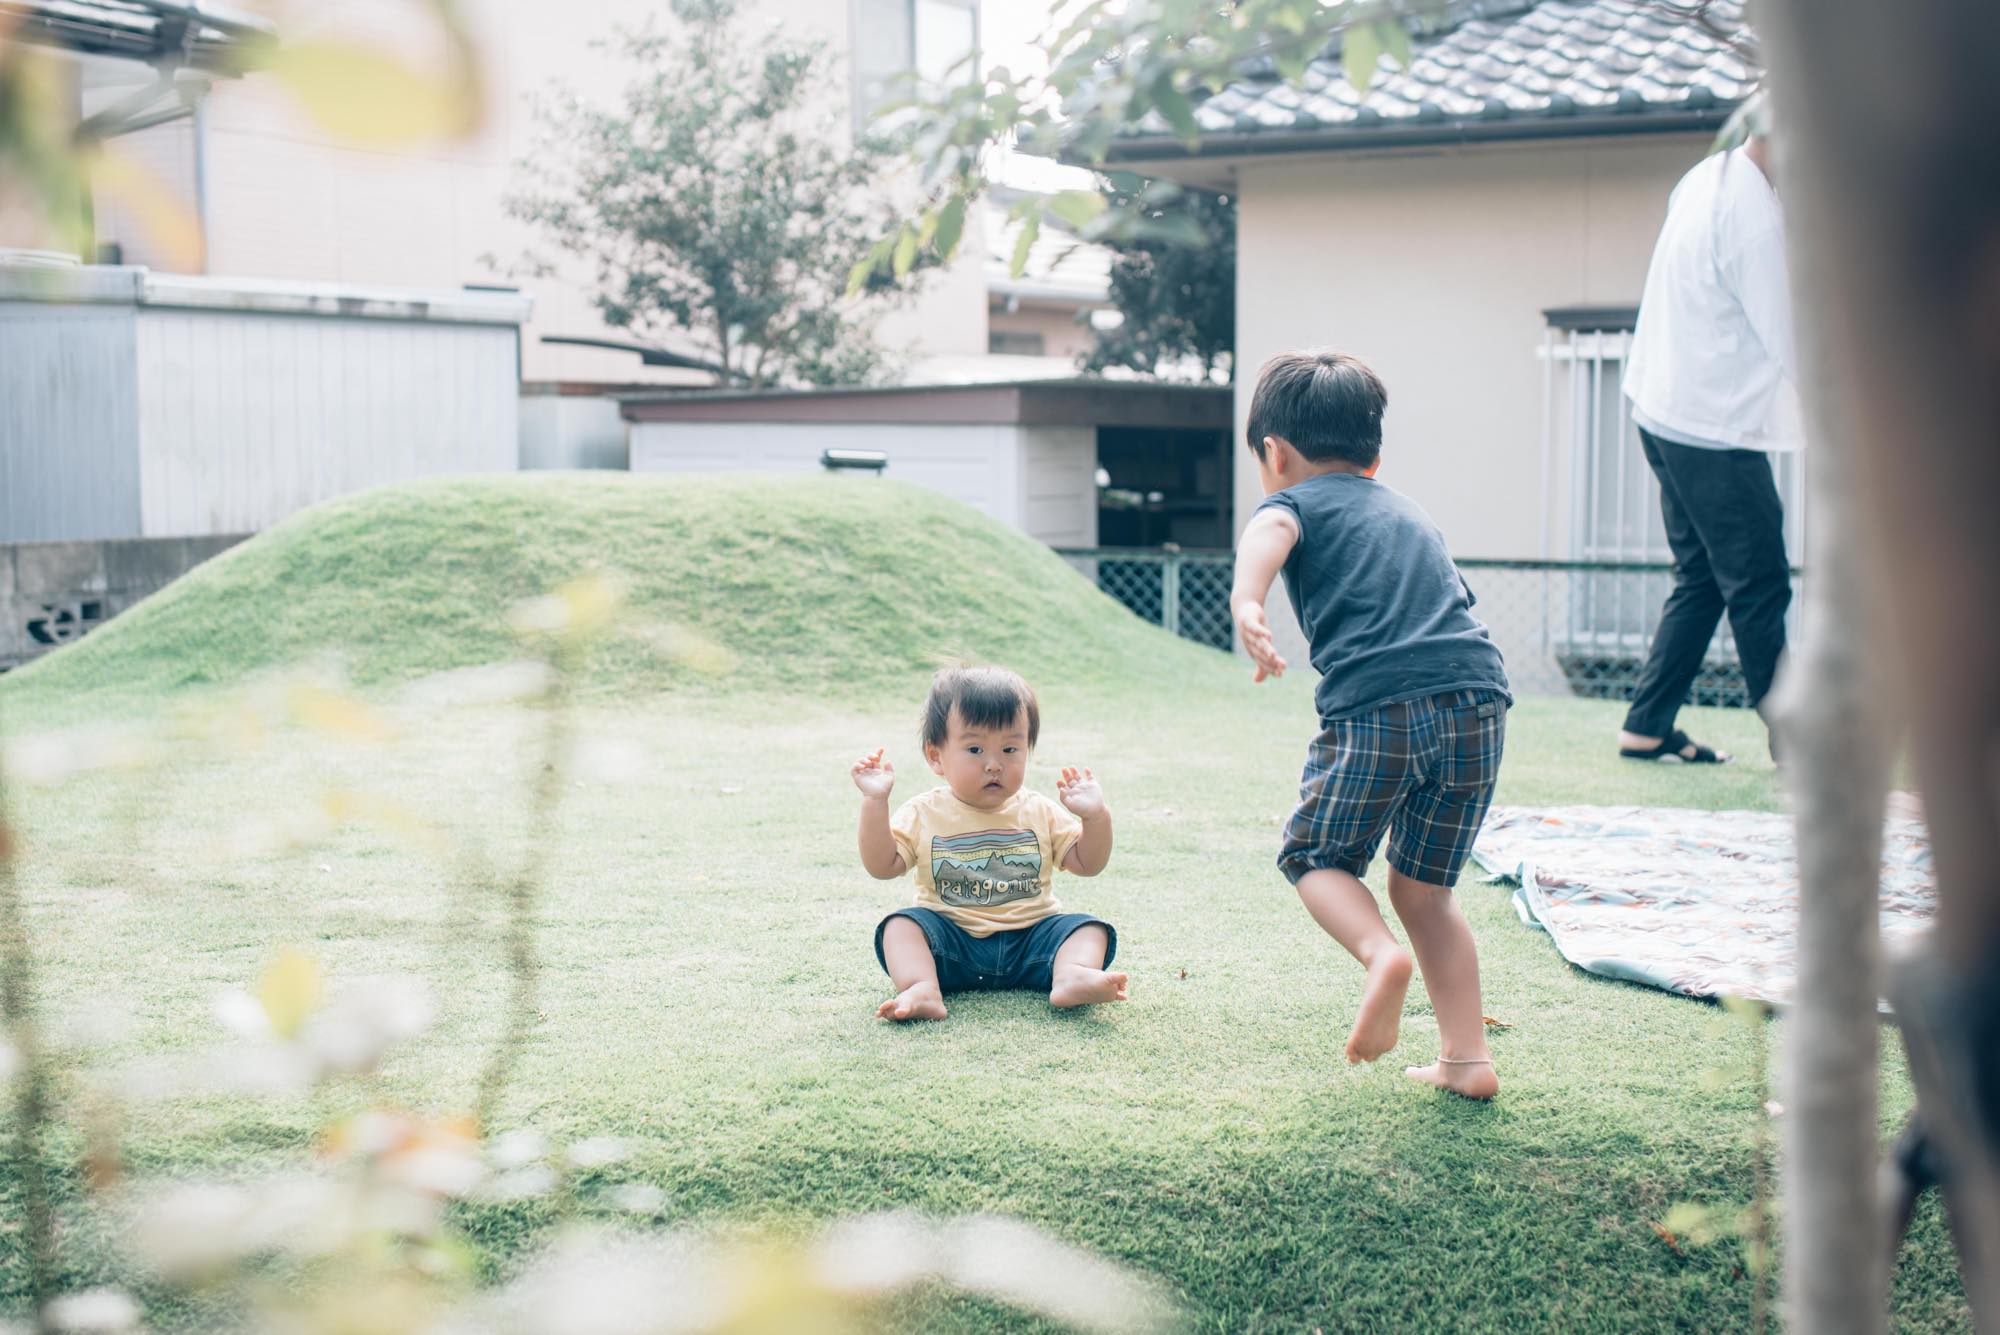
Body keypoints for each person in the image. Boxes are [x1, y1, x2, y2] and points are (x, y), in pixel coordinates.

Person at [1230, 350, 1513, 1100]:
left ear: (1273, 454)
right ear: (1375, 454)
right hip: (1480, 701)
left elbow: (1269, 537)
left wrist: (1248, 601)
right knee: (1426, 890)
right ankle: (1466, 1058)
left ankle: (1381, 956)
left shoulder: (1290, 501)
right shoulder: (1409, 509)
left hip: (1378, 706)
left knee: (1315, 854)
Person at [1618, 130, 1800, 764]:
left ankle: (1647, 723)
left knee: (1701, 577)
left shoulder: (1708, 175)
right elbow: (1795, 340)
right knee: (1760, 580)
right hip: (1710, 427)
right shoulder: (1754, 220)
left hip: (1664, 408)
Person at [851, 665, 1126, 1021]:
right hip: (951, 944)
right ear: (936, 756)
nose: (994, 764)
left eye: (1010, 748)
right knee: (900, 926)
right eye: (976, 749)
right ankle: (921, 987)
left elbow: (1088, 863)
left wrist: (1096, 818)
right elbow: (881, 865)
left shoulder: (1038, 809)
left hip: (1033, 941)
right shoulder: (923, 812)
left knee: (1088, 927)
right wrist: (875, 803)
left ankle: (1071, 973)